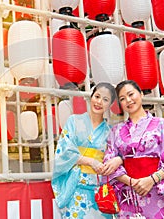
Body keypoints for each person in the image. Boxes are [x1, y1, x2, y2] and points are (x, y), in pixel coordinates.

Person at [103, 80, 164, 218]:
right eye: (122, 99)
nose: (128, 100)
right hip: (128, 194)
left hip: (156, 192)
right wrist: (131, 182)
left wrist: (151, 180)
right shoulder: (116, 131)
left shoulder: (163, 125)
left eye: (131, 94)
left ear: (140, 94)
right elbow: (108, 162)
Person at [51, 82, 122, 219]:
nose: (99, 102)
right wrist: (91, 161)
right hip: (76, 187)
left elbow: (120, 155)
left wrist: (117, 160)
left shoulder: (110, 132)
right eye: (97, 96)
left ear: (110, 104)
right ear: (91, 97)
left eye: (105, 99)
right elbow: (64, 151)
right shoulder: (74, 121)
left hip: (100, 190)